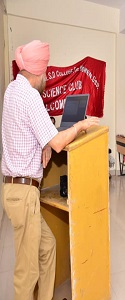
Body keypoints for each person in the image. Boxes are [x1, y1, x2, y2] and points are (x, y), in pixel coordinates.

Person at [1, 40, 98, 300]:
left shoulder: (12, 90)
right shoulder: (31, 96)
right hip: (24, 196)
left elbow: (29, 134)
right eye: (45, 72)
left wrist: (40, 144)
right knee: (27, 271)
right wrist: (80, 126)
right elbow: (57, 143)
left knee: (48, 247)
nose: (46, 78)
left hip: (15, 189)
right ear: (39, 70)